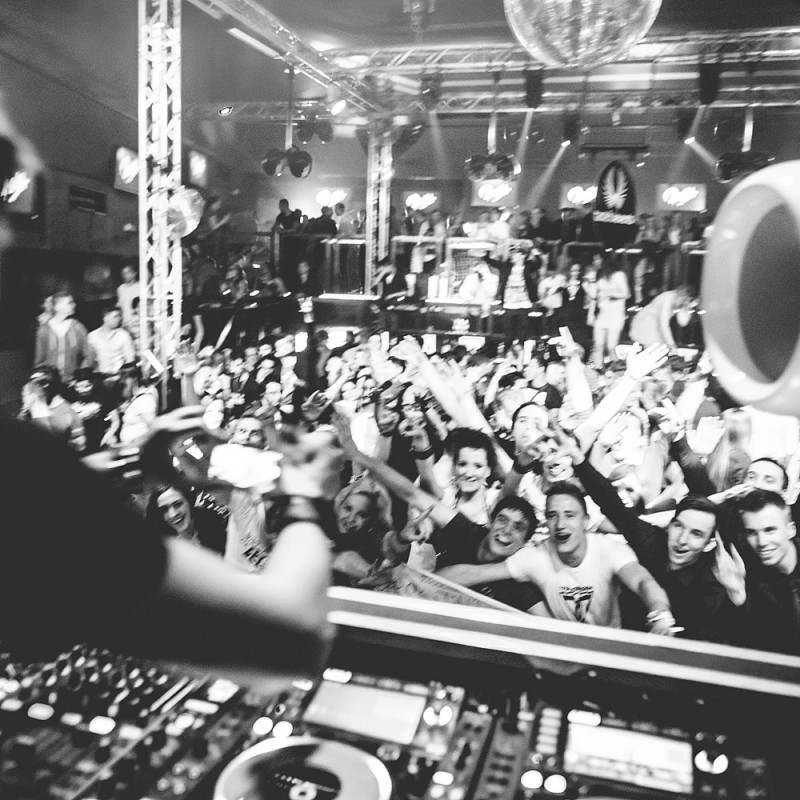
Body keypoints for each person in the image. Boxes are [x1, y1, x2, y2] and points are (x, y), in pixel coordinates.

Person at [555, 428, 740, 642]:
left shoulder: (712, 583)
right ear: (670, 525)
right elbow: (611, 503)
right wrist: (577, 458)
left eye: (696, 534)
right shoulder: (651, 541)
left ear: (709, 544)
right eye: (679, 526)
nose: (682, 540)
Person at [436, 482, 677, 633]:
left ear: (585, 522)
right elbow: (473, 573)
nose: (560, 524)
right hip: (563, 649)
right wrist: (421, 582)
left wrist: (660, 615)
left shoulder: (608, 550)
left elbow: (643, 582)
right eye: (552, 516)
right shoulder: (535, 556)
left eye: (569, 515)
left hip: (608, 643)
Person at [714, 490, 800, 655]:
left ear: (791, 530)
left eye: (770, 530)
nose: (761, 542)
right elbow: (750, 647)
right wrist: (739, 599)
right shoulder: (745, 573)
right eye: (752, 532)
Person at [146, 483, 228, 556]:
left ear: (190, 503)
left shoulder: (218, 527)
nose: (173, 514)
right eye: (164, 510)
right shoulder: (165, 549)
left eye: (177, 504)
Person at [34, 291, 92, 383]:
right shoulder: (44, 330)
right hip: (51, 382)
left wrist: (82, 375)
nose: (74, 305)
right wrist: (43, 378)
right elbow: (40, 360)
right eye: (69, 302)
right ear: (57, 307)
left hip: (73, 381)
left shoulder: (78, 327)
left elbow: (88, 354)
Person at [592, 255, 630, 367]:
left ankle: (616, 369)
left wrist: (610, 294)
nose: (596, 262)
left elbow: (626, 294)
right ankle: (598, 369)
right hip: (602, 314)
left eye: (598, 259)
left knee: (611, 347)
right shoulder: (600, 275)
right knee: (598, 346)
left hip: (616, 315)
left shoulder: (619, 275)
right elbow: (595, 294)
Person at [629, 286, 696, 350]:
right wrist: (671, 345)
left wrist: (686, 308)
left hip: (654, 327)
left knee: (660, 349)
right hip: (645, 324)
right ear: (683, 296)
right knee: (656, 350)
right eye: (685, 300)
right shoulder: (667, 298)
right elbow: (663, 325)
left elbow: (683, 323)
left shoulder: (678, 300)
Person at [87, 304, 136, 377]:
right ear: (105, 318)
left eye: (119, 316)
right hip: (99, 377)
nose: (119, 319)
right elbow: (89, 358)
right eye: (115, 316)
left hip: (119, 376)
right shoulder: (92, 336)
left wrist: (124, 374)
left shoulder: (123, 335)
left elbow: (130, 358)